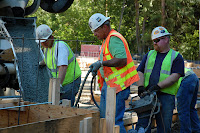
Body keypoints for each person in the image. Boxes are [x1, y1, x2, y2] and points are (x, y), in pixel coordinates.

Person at [88, 13, 140, 133]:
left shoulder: (114, 38)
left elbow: (122, 60)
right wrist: (99, 66)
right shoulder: (107, 39)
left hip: (118, 88)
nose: (94, 34)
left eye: (96, 31)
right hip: (112, 86)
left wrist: (101, 63)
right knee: (106, 119)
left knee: (114, 121)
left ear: (104, 27)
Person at [135, 26, 185, 133]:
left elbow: (175, 76)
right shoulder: (149, 55)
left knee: (164, 128)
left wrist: (158, 86)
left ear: (166, 39)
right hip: (147, 95)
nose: (154, 43)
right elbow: (140, 71)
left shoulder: (176, 57)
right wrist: (140, 87)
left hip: (165, 97)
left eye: (157, 40)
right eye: (153, 40)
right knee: (142, 126)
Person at [36, 24, 81, 107]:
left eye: (45, 41)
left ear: (51, 37)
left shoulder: (60, 47)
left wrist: (58, 85)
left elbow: (63, 67)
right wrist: (39, 64)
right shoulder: (47, 48)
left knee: (65, 107)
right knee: (57, 105)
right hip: (60, 81)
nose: (43, 44)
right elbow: (47, 60)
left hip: (70, 81)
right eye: (41, 42)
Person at [176, 67, 200, 133]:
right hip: (193, 77)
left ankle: (186, 131)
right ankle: (196, 130)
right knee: (191, 108)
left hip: (185, 79)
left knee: (183, 110)